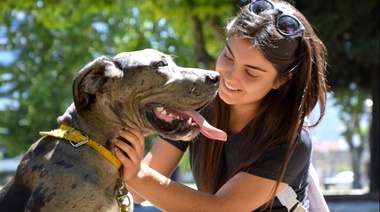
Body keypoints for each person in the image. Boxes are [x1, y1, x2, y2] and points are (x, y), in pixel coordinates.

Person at [114, 0, 330, 211]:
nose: (230, 77)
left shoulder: (291, 138)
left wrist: (137, 174)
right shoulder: (198, 105)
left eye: (251, 73)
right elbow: (138, 193)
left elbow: (221, 208)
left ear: (281, 80)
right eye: (228, 56)